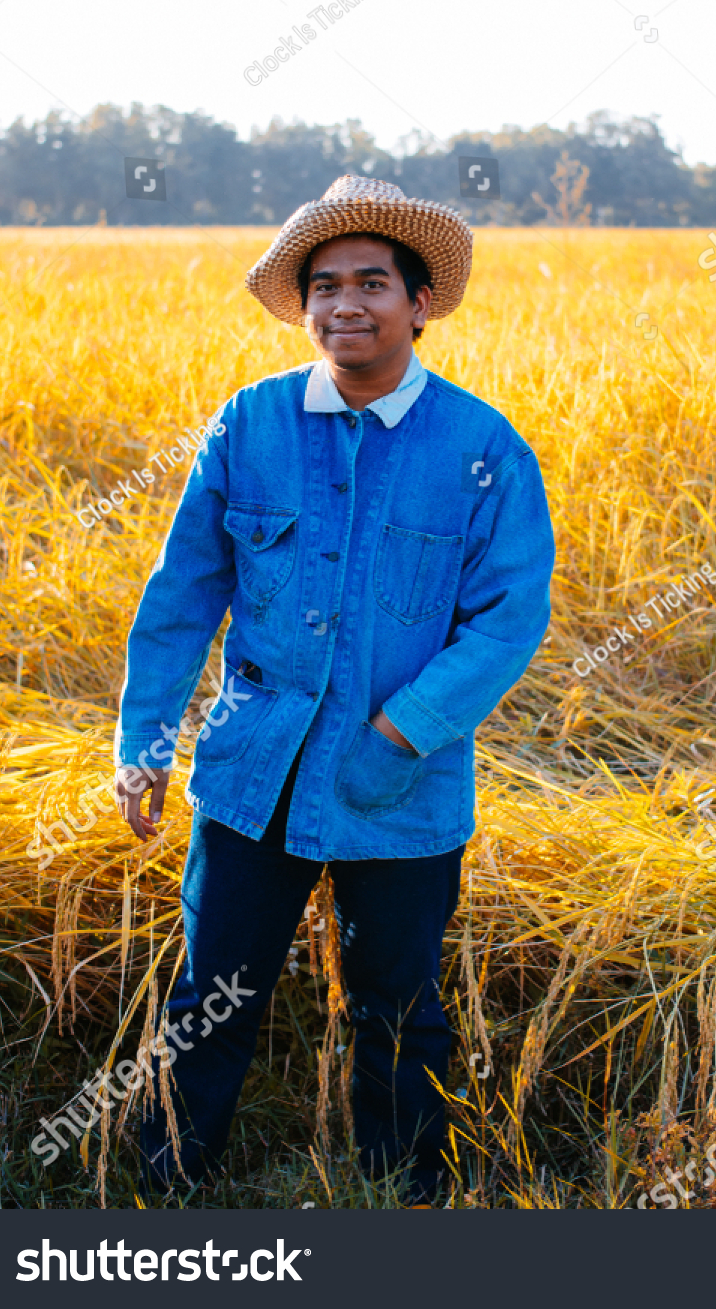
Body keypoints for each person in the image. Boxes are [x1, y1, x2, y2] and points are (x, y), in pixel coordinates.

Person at [114, 174, 555, 1205]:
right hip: (252, 773)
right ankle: (165, 1182)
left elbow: (507, 617)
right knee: (212, 996)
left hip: (399, 786)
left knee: (398, 1003)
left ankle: (403, 1193)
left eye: (369, 283)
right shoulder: (250, 423)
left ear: (419, 302)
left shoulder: (483, 450)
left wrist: (406, 728)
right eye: (323, 285)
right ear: (303, 303)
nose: (344, 304)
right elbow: (184, 592)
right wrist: (142, 741)